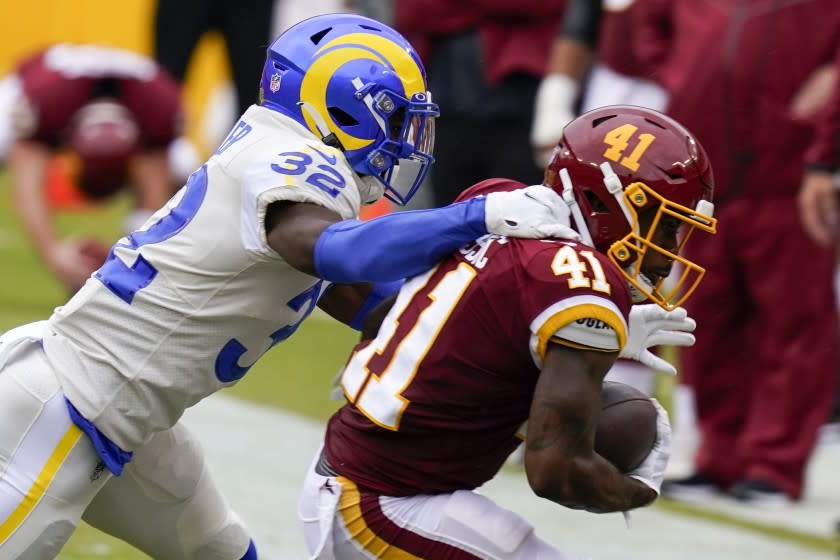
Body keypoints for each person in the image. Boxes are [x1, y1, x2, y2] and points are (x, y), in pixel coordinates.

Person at [0, 14, 578, 559]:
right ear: (345, 106)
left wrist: (540, 329)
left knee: (220, 549)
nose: (407, 138)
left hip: (127, 415)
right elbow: (330, 248)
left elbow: (392, 312)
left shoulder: (286, 161)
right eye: (397, 118)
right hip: (69, 408)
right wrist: (475, 217)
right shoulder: (291, 162)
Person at [298, 105, 718, 559]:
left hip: (358, 473)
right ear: (604, 200)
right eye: (667, 223)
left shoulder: (499, 203)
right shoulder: (585, 281)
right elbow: (555, 470)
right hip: (385, 505)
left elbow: (389, 316)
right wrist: (638, 487)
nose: (670, 251)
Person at [634, 0, 840, 505]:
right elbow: (646, 27)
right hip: (711, 175)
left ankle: (773, 463)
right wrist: (683, 78)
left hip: (790, 176)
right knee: (711, 314)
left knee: (794, 322)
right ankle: (718, 457)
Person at [530, 0, 671, 399]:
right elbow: (584, 18)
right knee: (587, 248)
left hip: (682, 94)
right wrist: (555, 98)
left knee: (663, 259)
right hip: (611, 93)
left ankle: (632, 405)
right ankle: (569, 400)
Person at [7, 43, 184, 294]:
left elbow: (152, 203)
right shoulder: (47, 101)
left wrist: (128, 261)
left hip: (131, 97)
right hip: (28, 86)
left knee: (190, 170)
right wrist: (54, 253)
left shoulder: (157, 106)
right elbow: (28, 189)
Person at [394, 0, 567, 206]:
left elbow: (536, 5)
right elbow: (411, 12)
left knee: (522, 209)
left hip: (518, 102)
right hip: (447, 103)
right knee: (451, 215)